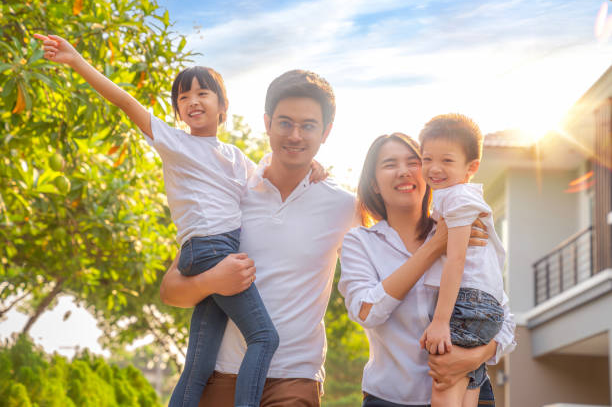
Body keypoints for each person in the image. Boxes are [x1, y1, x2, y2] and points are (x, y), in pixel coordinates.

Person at [33, 34, 322, 407]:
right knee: (265, 338)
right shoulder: (175, 142)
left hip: (219, 250)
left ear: (223, 106)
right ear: (177, 112)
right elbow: (124, 100)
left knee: (200, 362)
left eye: (202, 93)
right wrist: (76, 61)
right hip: (208, 250)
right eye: (183, 97)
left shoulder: (235, 157)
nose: (192, 101)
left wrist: (311, 164)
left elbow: (271, 177)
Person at [159, 69, 357, 407]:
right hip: (220, 376)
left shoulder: (343, 206)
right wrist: (212, 280)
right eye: (284, 122)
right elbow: (171, 290)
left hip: (294, 380)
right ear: (267, 123)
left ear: (326, 132)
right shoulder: (236, 188)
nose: (294, 135)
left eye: (308, 126)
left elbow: (389, 249)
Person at [339, 133, 516, 407]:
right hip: (390, 398)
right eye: (389, 164)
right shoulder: (360, 242)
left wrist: (474, 358)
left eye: (413, 162)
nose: (403, 172)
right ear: (373, 183)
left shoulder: (463, 231)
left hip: (468, 391)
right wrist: (435, 247)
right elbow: (367, 311)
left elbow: (501, 313)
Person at [418, 114, 506, 407]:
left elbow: (455, 259)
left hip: (467, 301)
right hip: (486, 306)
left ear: (472, 168)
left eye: (446, 160)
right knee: (466, 384)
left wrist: (441, 322)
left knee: (443, 387)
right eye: (427, 158)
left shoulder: (457, 199)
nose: (434, 168)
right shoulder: (456, 197)